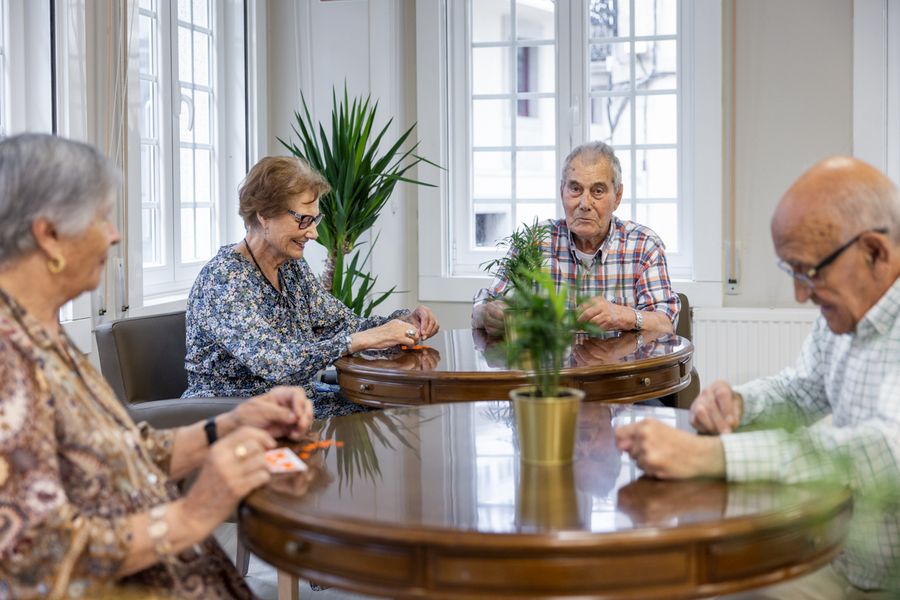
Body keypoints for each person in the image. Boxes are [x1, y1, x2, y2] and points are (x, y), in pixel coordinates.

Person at [0, 133, 314, 598]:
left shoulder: (42, 336)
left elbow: (120, 454)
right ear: (49, 235)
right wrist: (193, 513)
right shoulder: (10, 363)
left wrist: (230, 424)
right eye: (102, 217)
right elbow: (37, 551)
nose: (115, 234)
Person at [615, 156, 900, 598]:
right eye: (792, 271)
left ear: (875, 253)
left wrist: (713, 457)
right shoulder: (843, 309)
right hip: (836, 558)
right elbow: (803, 388)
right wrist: (741, 404)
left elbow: (880, 450)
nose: (800, 294)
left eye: (810, 271)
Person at [183, 156, 440, 418]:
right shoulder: (224, 279)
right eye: (303, 220)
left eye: (315, 220)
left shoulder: (291, 267)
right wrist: (362, 339)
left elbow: (342, 325)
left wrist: (402, 323)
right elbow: (276, 363)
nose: (314, 234)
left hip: (293, 403)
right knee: (379, 412)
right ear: (264, 215)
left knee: (397, 402)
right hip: (236, 415)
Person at [471, 141, 680, 337]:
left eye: (597, 191)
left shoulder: (643, 246)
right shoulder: (535, 241)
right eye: (575, 189)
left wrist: (623, 315)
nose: (584, 203)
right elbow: (485, 305)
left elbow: (666, 323)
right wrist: (487, 314)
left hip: (620, 373)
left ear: (617, 196)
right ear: (562, 191)